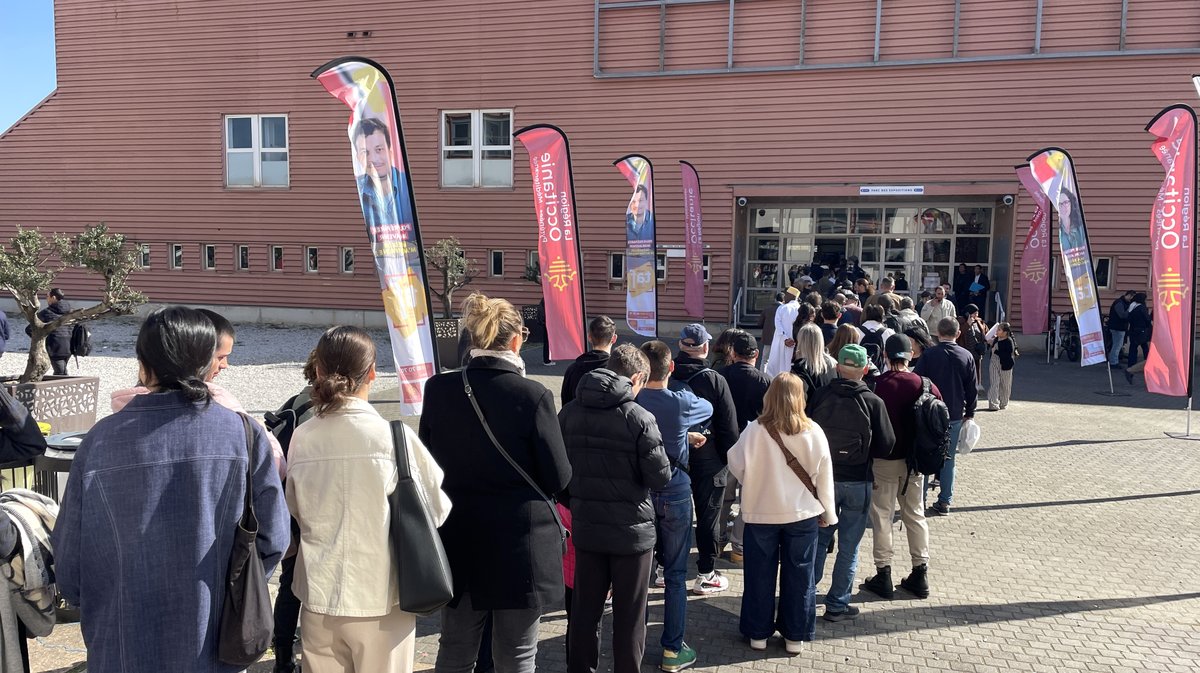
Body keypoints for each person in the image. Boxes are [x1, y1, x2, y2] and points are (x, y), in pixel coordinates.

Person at [53, 306, 290, 673]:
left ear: (143, 364)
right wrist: (238, 593)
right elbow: (273, 538)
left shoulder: (100, 440)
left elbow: (70, 558)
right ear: (206, 363)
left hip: (121, 638)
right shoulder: (243, 434)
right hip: (214, 635)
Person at [421, 293, 573, 673]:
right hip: (521, 544)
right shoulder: (533, 395)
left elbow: (426, 462)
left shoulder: (438, 390)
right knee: (517, 654)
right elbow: (558, 477)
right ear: (517, 341)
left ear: (471, 339)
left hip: (458, 537)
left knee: (455, 650)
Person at [288, 326, 451, 673]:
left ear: (317, 371)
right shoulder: (394, 437)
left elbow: (294, 510)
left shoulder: (302, 437)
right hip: (383, 598)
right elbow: (436, 510)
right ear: (374, 373)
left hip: (319, 595)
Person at [559, 344, 671, 673]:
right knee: (630, 619)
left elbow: (556, 471)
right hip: (632, 535)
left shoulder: (569, 412)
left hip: (587, 529)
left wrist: (576, 499)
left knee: (584, 615)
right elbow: (659, 477)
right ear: (636, 378)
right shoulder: (639, 418)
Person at [727, 372, 836, 655]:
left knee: (759, 575)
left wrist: (754, 483)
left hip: (761, 513)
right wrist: (828, 512)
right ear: (801, 398)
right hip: (802, 514)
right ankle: (794, 637)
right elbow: (824, 477)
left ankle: (757, 634)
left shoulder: (754, 430)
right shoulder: (814, 431)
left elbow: (735, 464)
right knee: (800, 577)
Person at [636, 340, 713, 672]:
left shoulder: (632, 399)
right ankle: (672, 648)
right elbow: (707, 408)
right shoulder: (681, 403)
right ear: (670, 368)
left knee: (639, 573)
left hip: (639, 493)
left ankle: (632, 644)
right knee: (677, 575)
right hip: (676, 491)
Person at [808, 345, 895, 622]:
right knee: (850, 546)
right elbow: (887, 444)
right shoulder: (873, 401)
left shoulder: (821, 395)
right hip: (859, 480)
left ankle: (806, 596)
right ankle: (837, 604)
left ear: (837, 368)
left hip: (825, 481)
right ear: (865, 371)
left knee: (818, 540)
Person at [860, 335, 939, 601]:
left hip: (883, 460)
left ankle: (883, 573)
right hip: (915, 463)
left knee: (882, 515)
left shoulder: (876, 385)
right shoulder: (925, 385)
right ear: (910, 355)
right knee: (915, 514)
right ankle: (920, 571)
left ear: (885, 355)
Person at [672, 324, 739, 596]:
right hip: (709, 457)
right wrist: (726, 458)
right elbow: (729, 427)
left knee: (669, 515)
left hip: (672, 454)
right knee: (708, 516)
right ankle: (705, 573)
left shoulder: (667, 370)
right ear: (705, 347)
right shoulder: (714, 379)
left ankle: (664, 568)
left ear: (680, 345)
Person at [915, 317, 977, 517]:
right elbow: (972, 389)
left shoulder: (929, 355)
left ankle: (920, 501)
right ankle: (945, 501)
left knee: (925, 454)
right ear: (958, 334)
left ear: (938, 333)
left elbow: (917, 381)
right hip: (955, 413)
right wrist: (971, 412)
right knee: (949, 458)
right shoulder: (966, 356)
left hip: (929, 412)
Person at [718, 331, 771, 563]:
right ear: (756, 355)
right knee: (747, 498)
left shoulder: (720, 376)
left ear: (732, 353)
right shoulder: (765, 381)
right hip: (754, 446)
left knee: (723, 497)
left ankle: (718, 541)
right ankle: (738, 547)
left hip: (724, 445)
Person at [353, 117, 415, 228]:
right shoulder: (356, 189)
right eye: (365, 152)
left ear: (390, 152)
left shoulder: (409, 184)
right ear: (358, 158)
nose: (373, 159)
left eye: (379, 149)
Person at [561, 315, 617, 406]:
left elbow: (565, 403)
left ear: (589, 337)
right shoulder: (617, 370)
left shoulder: (572, 369)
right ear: (614, 339)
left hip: (576, 419)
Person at [791, 323, 837, 398]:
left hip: (811, 409)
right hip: (831, 408)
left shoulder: (800, 369)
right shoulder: (833, 364)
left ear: (801, 342)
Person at [765, 287, 801, 378]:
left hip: (781, 341)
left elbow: (778, 324)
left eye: (786, 295)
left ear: (791, 295)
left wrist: (785, 338)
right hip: (794, 342)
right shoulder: (800, 308)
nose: (785, 297)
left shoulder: (782, 308)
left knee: (777, 365)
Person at [38, 288, 73, 375]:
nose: (46, 299)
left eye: (47, 296)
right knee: (63, 370)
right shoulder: (71, 311)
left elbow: (30, 329)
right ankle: (66, 386)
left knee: (59, 372)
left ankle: (64, 386)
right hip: (70, 344)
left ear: (53, 297)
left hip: (55, 345)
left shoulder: (46, 313)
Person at [986, 322, 1017, 411]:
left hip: (1006, 365)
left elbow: (1007, 355)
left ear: (1005, 332)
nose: (997, 331)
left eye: (999, 330)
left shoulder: (1009, 341)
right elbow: (991, 349)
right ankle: (993, 404)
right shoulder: (996, 339)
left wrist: (996, 351)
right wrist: (990, 344)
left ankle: (1004, 403)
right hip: (994, 362)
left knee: (1005, 385)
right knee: (994, 383)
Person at [957, 305, 989, 389]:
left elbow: (986, 332)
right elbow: (958, 334)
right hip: (965, 349)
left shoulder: (979, 321)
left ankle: (977, 384)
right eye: (974, 313)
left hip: (976, 350)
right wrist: (967, 324)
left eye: (977, 313)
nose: (976, 315)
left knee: (976, 368)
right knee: (965, 370)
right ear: (968, 313)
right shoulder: (960, 321)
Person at [758, 292, 785, 371]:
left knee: (765, 359)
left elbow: (760, 323)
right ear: (783, 300)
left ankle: (763, 375)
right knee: (780, 360)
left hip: (768, 338)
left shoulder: (767, 309)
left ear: (775, 299)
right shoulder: (784, 309)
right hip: (780, 338)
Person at [1107, 290, 1134, 368]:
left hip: (1118, 327)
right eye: (1131, 297)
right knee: (1117, 345)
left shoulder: (1121, 302)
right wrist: (1130, 310)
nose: (1131, 300)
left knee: (1117, 344)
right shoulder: (1119, 303)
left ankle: (1113, 361)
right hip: (1117, 327)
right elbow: (1122, 315)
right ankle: (1113, 362)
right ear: (1129, 295)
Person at [1126, 293, 1152, 369]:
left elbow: (1129, 318)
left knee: (1133, 348)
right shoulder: (1142, 308)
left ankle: (1131, 365)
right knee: (1145, 347)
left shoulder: (1132, 307)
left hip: (1133, 330)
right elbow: (1147, 319)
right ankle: (1148, 363)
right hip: (1141, 330)